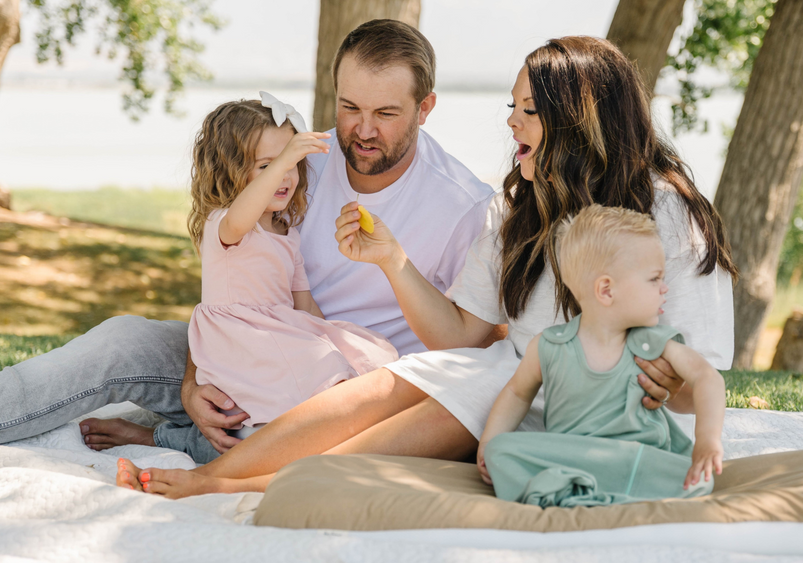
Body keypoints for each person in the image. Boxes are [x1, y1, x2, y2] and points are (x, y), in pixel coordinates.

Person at [114, 35, 737, 498]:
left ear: (579, 121)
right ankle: (206, 475)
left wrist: (663, 380)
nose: (510, 121)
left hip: (577, 395)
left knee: (430, 413)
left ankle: (233, 487)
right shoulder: (519, 203)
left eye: (528, 110)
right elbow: (463, 334)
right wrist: (392, 261)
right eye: (512, 105)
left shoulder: (668, 212)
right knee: (393, 382)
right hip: (505, 369)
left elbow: (698, 377)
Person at [0, 19, 494, 464]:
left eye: (386, 113)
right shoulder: (298, 163)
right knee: (121, 341)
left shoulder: (465, 207)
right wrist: (195, 383)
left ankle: (166, 435)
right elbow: (228, 267)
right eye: (349, 108)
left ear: (425, 107)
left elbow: (477, 344)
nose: (363, 130)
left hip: (343, 389)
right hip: (239, 353)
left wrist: (394, 263)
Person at [146, 97, 400, 462]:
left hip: (278, 338)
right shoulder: (224, 224)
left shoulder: (287, 234)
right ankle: (167, 439)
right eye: (267, 166)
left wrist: (336, 345)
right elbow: (240, 216)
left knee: (352, 361)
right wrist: (285, 157)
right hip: (242, 343)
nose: (284, 176)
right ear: (231, 171)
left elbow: (304, 304)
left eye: (293, 165)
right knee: (289, 405)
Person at [477, 205, 725, 507]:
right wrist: (489, 442)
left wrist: (707, 440)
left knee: (699, 478)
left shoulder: (652, 343)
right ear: (606, 290)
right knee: (502, 450)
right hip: (573, 458)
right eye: (654, 279)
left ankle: (572, 495)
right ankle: (590, 492)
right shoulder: (549, 346)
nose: (665, 288)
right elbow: (517, 393)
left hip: (635, 457)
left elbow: (707, 377)